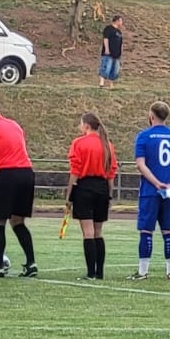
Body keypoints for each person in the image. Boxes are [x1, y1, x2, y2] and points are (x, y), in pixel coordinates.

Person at [0, 96, 38, 277]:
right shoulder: (14, 124)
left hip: (8, 174)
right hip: (26, 173)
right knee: (18, 221)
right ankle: (31, 263)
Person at [130, 102, 170, 280]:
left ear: (151, 116)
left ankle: (143, 271)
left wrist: (156, 183)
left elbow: (141, 164)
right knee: (169, 231)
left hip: (150, 190)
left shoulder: (144, 136)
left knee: (146, 230)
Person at [67, 113, 118, 280]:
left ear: (86, 126)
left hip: (85, 187)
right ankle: (99, 272)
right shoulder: (107, 145)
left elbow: (75, 171)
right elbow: (111, 173)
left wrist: (69, 195)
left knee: (88, 232)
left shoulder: (79, 143)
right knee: (98, 232)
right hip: (102, 188)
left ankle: (90, 273)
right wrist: (109, 195)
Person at [98, 15, 124, 88]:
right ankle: (101, 83)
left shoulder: (119, 31)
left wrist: (120, 51)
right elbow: (106, 39)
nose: (122, 23)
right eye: (121, 21)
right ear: (117, 21)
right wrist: (107, 49)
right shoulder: (109, 29)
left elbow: (120, 42)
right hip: (109, 53)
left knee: (114, 70)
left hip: (117, 54)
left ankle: (111, 85)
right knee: (106, 67)